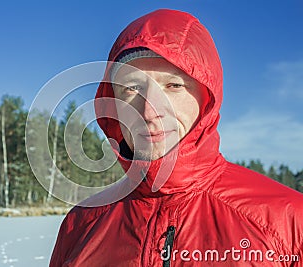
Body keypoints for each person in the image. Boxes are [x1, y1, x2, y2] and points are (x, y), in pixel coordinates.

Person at [49, 9, 303, 266]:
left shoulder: (288, 222)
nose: (149, 111)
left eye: (174, 86)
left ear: (207, 99)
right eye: (131, 88)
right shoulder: (79, 225)